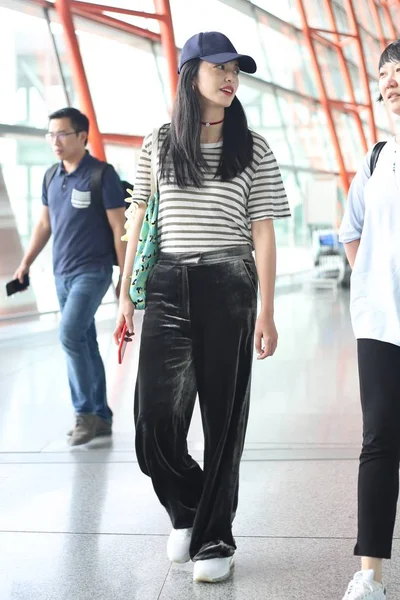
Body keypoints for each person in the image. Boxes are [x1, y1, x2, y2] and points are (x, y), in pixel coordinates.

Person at [114, 31, 290, 583]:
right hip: (167, 282)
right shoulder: (160, 142)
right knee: (154, 425)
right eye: (221, 68)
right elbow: (138, 220)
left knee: (223, 417)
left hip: (231, 282)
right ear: (192, 74)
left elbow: (263, 231)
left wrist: (266, 310)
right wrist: (124, 294)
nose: (232, 77)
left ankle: (215, 534)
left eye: (237, 69)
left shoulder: (254, 146)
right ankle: (190, 507)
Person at [14, 107, 127, 446]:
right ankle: (102, 416)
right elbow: (45, 225)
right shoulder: (51, 176)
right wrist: (25, 263)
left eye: (62, 134)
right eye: (51, 134)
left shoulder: (102, 175)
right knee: (84, 340)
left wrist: (125, 275)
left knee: (69, 334)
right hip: (61, 273)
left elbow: (118, 225)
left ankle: (84, 414)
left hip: (93, 271)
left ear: (82, 137)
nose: (55, 141)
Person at [338, 40, 400, 600]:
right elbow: (350, 229)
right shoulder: (376, 157)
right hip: (381, 324)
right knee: (379, 439)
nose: (392, 80)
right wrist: (373, 282)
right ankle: (370, 574)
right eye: (385, 73)